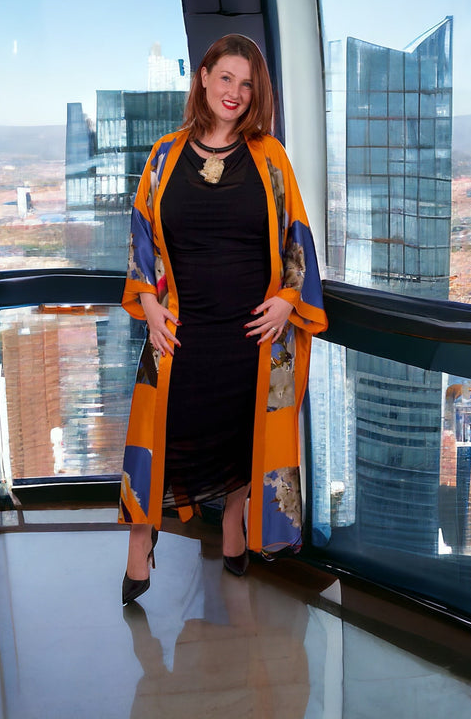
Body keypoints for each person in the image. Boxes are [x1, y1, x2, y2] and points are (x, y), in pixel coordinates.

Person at [118, 34, 327, 605]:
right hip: (180, 334)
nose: (235, 92)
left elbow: (297, 240)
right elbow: (142, 241)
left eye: (248, 84)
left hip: (253, 338)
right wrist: (150, 304)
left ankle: (233, 527)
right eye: (227, 77)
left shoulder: (270, 158)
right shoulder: (162, 157)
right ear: (204, 76)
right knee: (164, 440)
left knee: (244, 438)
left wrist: (289, 298)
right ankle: (142, 540)